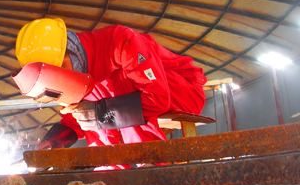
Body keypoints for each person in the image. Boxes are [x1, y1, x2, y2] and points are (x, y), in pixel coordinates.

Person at [14, 18, 207, 152]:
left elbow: (157, 98)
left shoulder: (121, 41)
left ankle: (149, 163)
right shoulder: (78, 73)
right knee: (94, 99)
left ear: (69, 53)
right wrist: (52, 141)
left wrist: (95, 113)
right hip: (141, 100)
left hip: (183, 92)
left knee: (118, 80)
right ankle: (108, 168)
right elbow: (79, 117)